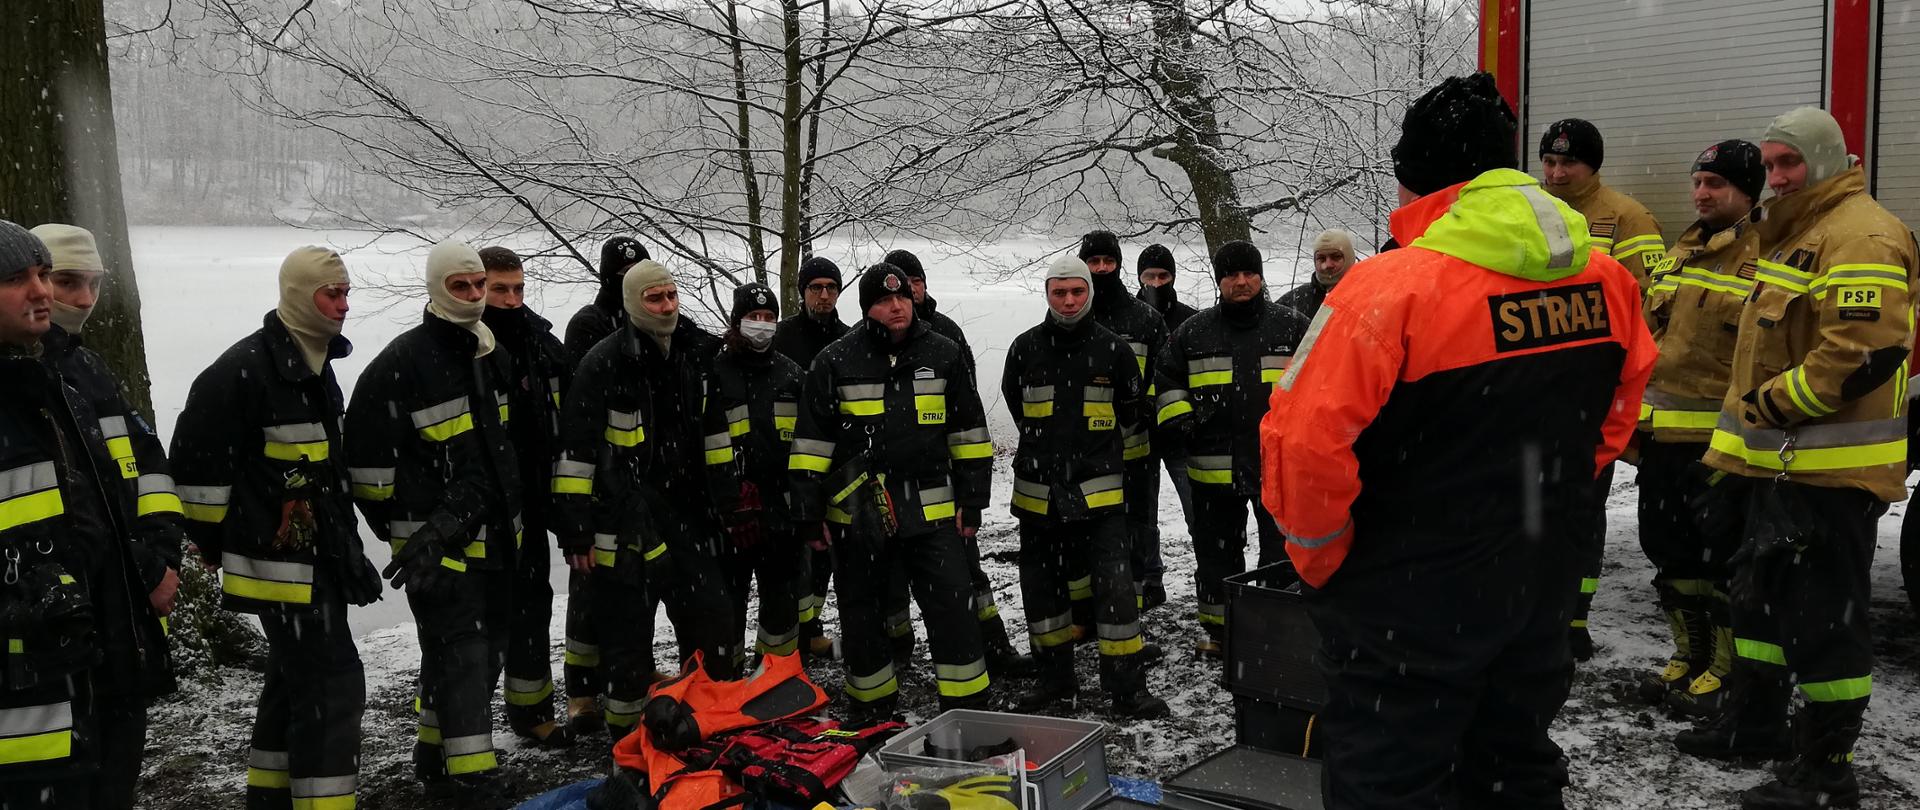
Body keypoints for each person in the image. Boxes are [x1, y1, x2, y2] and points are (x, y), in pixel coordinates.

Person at [1259, 73, 1656, 810]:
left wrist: (1325, 562)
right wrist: (1543, 502)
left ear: (1417, 178)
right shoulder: (1604, 280)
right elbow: (1619, 409)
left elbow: (1300, 443)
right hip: (1537, 581)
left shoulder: (1387, 291)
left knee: (1391, 779)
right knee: (1513, 760)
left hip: (1407, 596)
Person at [1675, 107, 1918, 810]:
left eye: (1791, 164)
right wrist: (1733, 455)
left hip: (1828, 476)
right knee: (1761, 606)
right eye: (1772, 164)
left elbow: (1863, 352)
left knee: (1823, 625)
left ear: (1827, 160)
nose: (1778, 177)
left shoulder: (1861, 235)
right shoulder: (1793, 235)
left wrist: (1778, 406)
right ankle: (1755, 726)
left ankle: (1824, 772)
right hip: (1775, 469)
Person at [172, 244, 377, 810]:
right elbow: (194, 471)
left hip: (317, 561)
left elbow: (320, 475)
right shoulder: (242, 372)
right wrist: (216, 542)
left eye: (346, 294)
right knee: (334, 686)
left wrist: (347, 552)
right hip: (274, 568)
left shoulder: (313, 364)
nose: (342, 306)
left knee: (294, 679)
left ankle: (271, 795)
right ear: (297, 295)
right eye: (331, 294)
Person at [0, 222, 173, 809]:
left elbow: (140, 475)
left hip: (105, 654)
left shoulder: (74, 379)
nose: (47, 293)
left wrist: (155, 561)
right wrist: (31, 595)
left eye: (45, 275)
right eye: (17, 279)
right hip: (29, 677)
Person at [345, 241, 523, 798]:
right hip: (435, 550)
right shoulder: (401, 365)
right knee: (464, 658)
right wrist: (415, 531)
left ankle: (434, 752)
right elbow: (367, 469)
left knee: (481, 651)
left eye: (477, 286)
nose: (473, 297)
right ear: (435, 288)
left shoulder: (490, 353)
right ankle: (471, 784)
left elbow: (499, 453)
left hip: (493, 539)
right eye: (460, 287)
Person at [788, 263, 996, 721]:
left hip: (933, 512)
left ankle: (967, 711)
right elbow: (810, 446)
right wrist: (807, 511)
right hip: (857, 518)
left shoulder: (944, 354)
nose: (896, 306)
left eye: (901, 296)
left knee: (952, 611)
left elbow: (970, 434)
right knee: (863, 618)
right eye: (883, 300)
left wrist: (973, 500)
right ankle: (872, 712)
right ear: (867, 309)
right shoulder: (834, 360)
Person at [551, 259, 738, 746]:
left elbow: (716, 438)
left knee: (711, 618)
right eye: (656, 299)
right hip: (624, 521)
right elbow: (576, 456)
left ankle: (703, 718)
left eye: (672, 295)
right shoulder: (603, 363)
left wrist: (729, 505)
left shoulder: (695, 355)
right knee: (627, 638)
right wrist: (576, 530)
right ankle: (627, 741)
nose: (668, 306)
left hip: (690, 516)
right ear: (634, 304)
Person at [1001, 255, 1167, 717]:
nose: (1069, 300)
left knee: (1115, 595)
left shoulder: (1114, 350)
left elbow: (1132, 410)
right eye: (1060, 292)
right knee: (1043, 594)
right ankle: (1055, 682)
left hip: (1101, 498)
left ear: (1089, 292)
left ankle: (1127, 689)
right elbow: (1017, 407)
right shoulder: (1024, 349)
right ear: (1048, 295)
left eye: (1077, 291)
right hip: (1038, 498)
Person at [1631, 141, 1765, 717]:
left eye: (1716, 184)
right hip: (1661, 439)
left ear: (1748, 192)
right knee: (1670, 555)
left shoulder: (1763, 255)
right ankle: (1689, 655)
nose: (1702, 193)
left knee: (1720, 564)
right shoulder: (1682, 249)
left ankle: (1725, 669)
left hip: (1719, 446)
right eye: (1698, 182)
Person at [1539, 117, 1667, 659]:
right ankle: (1536, 608)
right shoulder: (1533, 212)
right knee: (1530, 506)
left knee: (1582, 510)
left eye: (1569, 163)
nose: (1556, 172)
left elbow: (1651, 306)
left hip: (1590, 393)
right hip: (1535, 388)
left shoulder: (1626, 218)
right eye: (1549, 161)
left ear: (1594, 167)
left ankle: (1574, 617)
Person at [878, 249, 1029, 676]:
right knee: (890, 581)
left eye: (915, 282)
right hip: (889, 489)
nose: (910, 291)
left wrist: (971, 484)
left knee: (967, 571)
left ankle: (992, 644)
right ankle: (897, 651)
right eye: (902, 283)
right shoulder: (868, 340)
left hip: (944, 483)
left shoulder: (946, 336)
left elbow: (967, 411)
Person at [1154, 241, 1308, 655]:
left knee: (1280, 552)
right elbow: (1166, 380)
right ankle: (1218, 632)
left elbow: (1322, 382)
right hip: (1212, 469)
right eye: (1231, 275)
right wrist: (1182, 421)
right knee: (1216, 553)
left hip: (1277, 467)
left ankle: (1274, 630)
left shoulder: (1294, 327)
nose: (1241, 282)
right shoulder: (1193, 332)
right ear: (1219, 279)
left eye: (1249, 273)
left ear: (1260, 276)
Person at [476, 246, 576, 749]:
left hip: (536, 500)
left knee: (532, 609)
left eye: (518, 288)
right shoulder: (460, 351)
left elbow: (565, 421)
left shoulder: (543, 344)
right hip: (480, 510)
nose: (512, 300)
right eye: (500, 289)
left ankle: (532, 711)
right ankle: (451, 729)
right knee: (476, 626)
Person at [559, 237, 646, 725]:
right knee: (588, 590)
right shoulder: (590, 326)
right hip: (595, 476)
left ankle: (632, 672)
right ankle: (581, 690)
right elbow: (583, 402)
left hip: (632, 476)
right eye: (620, 272)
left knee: (630, 592)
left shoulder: (643, 322)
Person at [1076, 231, 1171, 615]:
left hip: (1135, 446)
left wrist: (1144, 407)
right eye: (1093, 262)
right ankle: (1091, 601)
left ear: (1117, 265)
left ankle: (1137, 596)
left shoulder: (1144, 318)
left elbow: (1164, 374)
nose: (1101, 269)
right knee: (1087, 524)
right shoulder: (1072, 313)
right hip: (1083, 450)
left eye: (1108, 262)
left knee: (1137, 523)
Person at [710, 283, 807, 660]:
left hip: (781, 512)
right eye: (754, 318)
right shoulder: (713, 374)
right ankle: (725, 677)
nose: (762, 326)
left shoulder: (792, 376)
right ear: (737, 322)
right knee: (725, 602)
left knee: (781, 600)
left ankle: (775, 672)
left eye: (769, 319)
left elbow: (807, 444)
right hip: (728, 514)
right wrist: (726, 496)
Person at [770, 256, 848, 659]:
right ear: (802, 292)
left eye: (831, 288)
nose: (824, 295)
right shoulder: (782, 338)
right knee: (790, 555)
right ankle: (789, 633)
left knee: (824, 553)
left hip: (835, 462)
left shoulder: (850, 340)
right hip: (786, 461)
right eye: (816, 288)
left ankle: (812, 627)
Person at [1135, 244, 1202, 564]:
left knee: (1197, 511)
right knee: (1142, 516)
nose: (1158, 282)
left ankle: (1210, 572)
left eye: (1164, 275)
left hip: (1180, 434)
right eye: (1150, 275)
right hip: (1138, 435)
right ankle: (1149, 576)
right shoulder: (1127, 318)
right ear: (1138, 277)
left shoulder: (1192, 321)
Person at [565, 236, 647, 359]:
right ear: (610, 278)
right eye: (628, 272)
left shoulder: (659, 312)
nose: (637, 279)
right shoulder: (587, 324)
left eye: (644, 271)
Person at [1275, 229, 1356, 321]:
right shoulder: (1294, 301)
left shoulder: (1368, 298)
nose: (1328, 265)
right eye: (1321, 258)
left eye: (1336, 257)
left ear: (1350, 258)